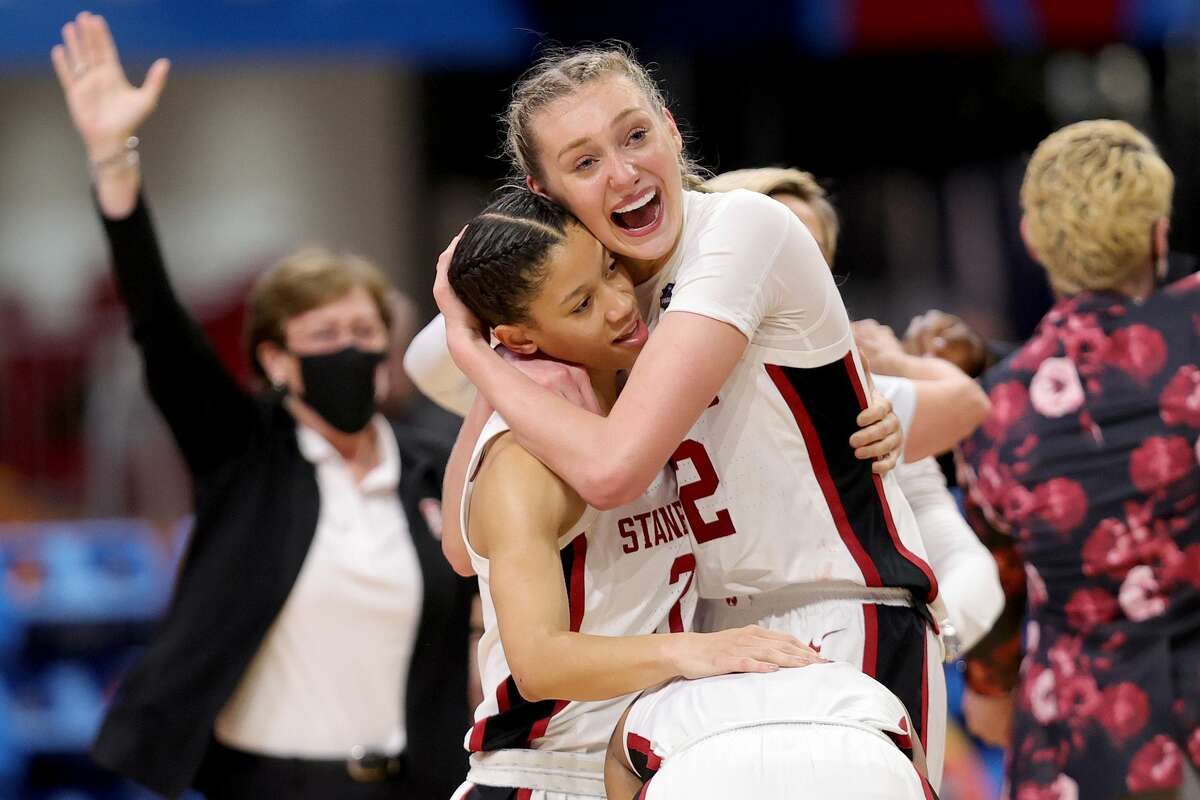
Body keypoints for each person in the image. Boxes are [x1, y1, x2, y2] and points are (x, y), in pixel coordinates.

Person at [430, 44, 949, 786]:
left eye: (635, 135)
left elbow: (613, 468)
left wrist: (471, 350)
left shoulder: (737, 231)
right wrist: (493, 335)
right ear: (545, 196)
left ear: (673, 131)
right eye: (583, 162)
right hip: (699, 647)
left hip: (838, 609)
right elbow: (462, 541)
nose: (622, 171)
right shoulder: (596, 288)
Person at [52, 14, 473, 799]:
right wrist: (114, 160)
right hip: (267, 785)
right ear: (277, 361)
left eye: (365, 330)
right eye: (325, 333)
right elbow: (159, 328)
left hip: (413, 785)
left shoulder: (436, 465)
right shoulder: (244, 453)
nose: (351, 348)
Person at [444, 188, 821, 800]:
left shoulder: (642, 395)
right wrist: (697, 651)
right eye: (583, 303)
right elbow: (539, 664)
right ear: (522, 339)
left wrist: (882, 415)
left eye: (611, 269)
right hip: (545, 776)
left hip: (652, 760)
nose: (621, 305)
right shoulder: (520, 464)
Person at [957, 120, 1200, 800]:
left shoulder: (993, 409)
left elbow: (996, 579)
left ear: (1034, 240)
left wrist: (989, 685)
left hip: (1080, 744)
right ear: (1159, 232)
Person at [701, 166, 1002, 654]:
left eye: (807, 259)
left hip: (834, 650)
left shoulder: (855, 389)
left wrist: (937, 641)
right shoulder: (651, 381)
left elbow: (957, 543)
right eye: (773, 251)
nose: (789, 277)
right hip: (697, 662)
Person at [604, 662, 937, 799]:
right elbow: (915, 771)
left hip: (702, 770)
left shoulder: (669, 696)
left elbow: (619, 756)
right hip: (865, 757)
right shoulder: (860, 682)